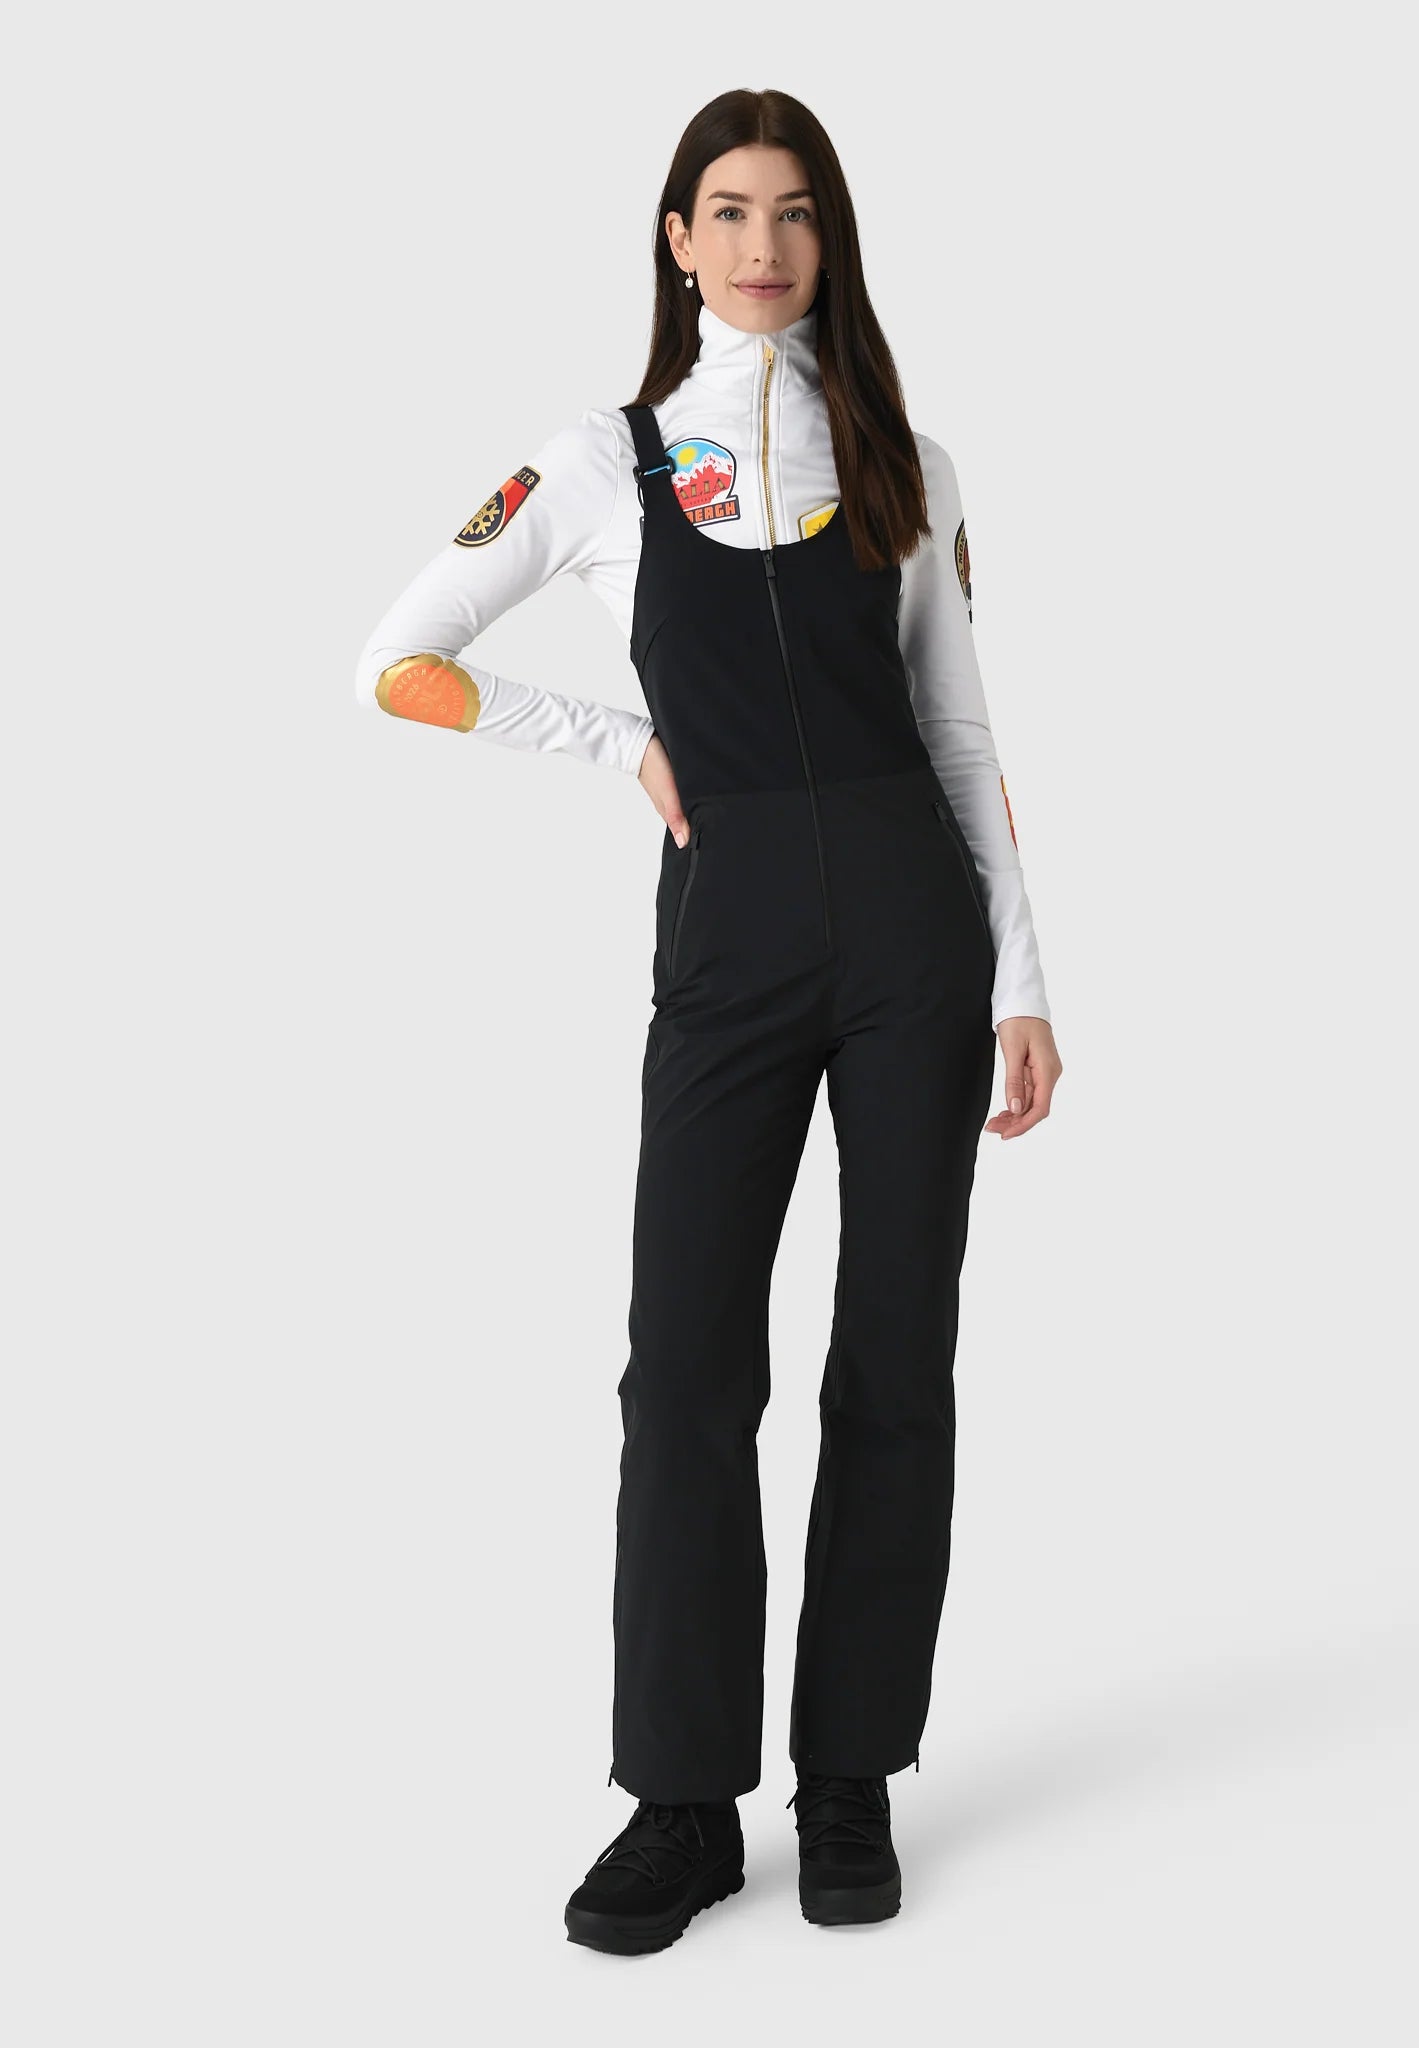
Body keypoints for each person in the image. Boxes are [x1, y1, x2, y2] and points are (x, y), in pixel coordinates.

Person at [355, 87, 1063, 1955]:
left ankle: (849, 1778)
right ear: (676, 241)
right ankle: (680, 1802)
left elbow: (962, 732)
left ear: (833, 239)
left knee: (894, 1358)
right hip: (730, 947)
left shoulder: (911, 460)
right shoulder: (599, 464)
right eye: (730, 211)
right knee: (685, 1369)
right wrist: (615, 743)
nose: (764, 245)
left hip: (914, 941)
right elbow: (397, 661)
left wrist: (1022, 978)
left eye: (797, 212)